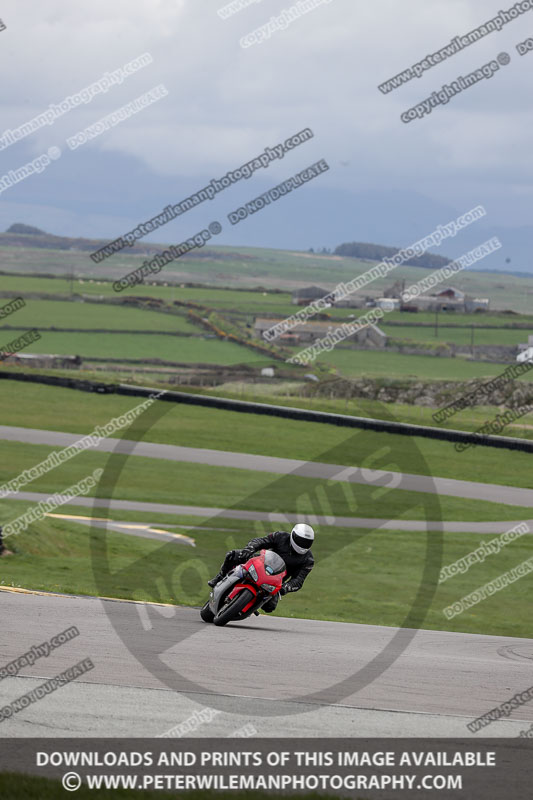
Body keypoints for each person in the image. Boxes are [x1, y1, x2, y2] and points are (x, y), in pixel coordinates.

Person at [207, 523, 315, 613]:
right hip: (260, 563)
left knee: (270, 607)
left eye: (307, 542)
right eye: (301, 540)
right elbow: (260, 541)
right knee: (233, 555)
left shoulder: (308, 560)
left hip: (275, 582)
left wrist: (285, 588)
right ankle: (220, 576)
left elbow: (299, 580)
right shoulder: (280, 536)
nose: (303, 544)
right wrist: (249, 549)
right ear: (293, 536)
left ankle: (251, 605)